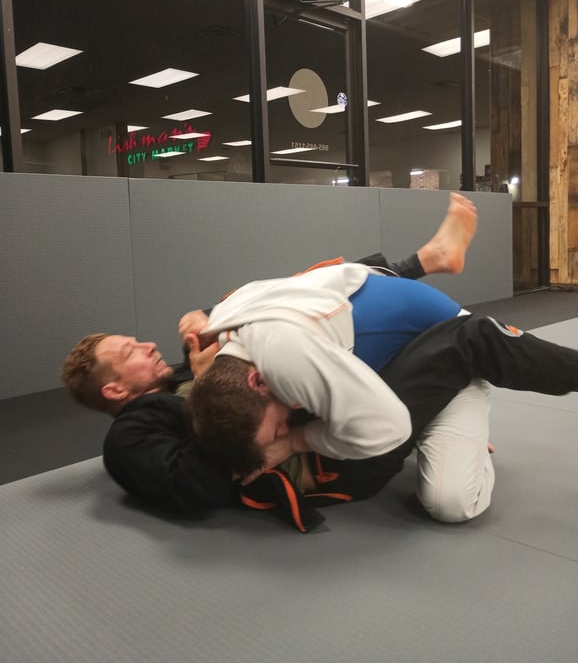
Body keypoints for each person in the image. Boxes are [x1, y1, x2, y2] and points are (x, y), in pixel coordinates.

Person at [61, 193, 484, 530]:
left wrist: (210, 317)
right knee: (451, 502)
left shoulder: (179, 375)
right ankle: (466, 374)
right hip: (339, 460)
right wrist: (211, 390)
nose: (148, 345)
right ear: (113, 389)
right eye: (130, 353)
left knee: (287, 297)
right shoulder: (128, 438)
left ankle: (424, 263)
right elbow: (197, 485)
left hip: (344, 405)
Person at [189, 242, 578, 505]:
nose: (279, 432)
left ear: (257, 380)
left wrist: (293, 442)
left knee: (452, 503)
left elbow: (391, 429)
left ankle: (463, 401)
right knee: (449, 501)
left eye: (273, 427)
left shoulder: (284, 353)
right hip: (391, 350)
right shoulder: (224, 329)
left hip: (449, 348)